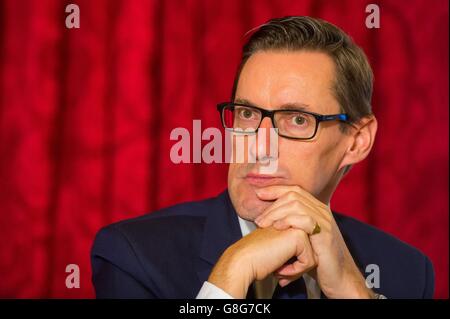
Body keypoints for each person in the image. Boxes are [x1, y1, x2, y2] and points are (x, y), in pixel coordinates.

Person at [91, 16, 434, 299]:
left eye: (298, 120)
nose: (259, 146)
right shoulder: (133, 256)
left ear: (357, 141)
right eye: (247, 114)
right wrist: (231, 274)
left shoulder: (406, 272)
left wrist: (351, 290)